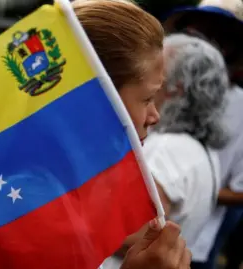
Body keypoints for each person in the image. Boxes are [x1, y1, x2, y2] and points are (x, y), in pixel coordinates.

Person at [71, 1, 191, 268]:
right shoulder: (31, 207)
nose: (154, 116)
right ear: (98, 98)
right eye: (147, 98)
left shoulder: (72, 187)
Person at [162, 1, 243, 268]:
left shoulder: (171, 147)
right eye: (190, 31)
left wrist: (188, 187)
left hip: (192, 244)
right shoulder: (160, 94)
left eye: (209, 35)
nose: (194, 41)